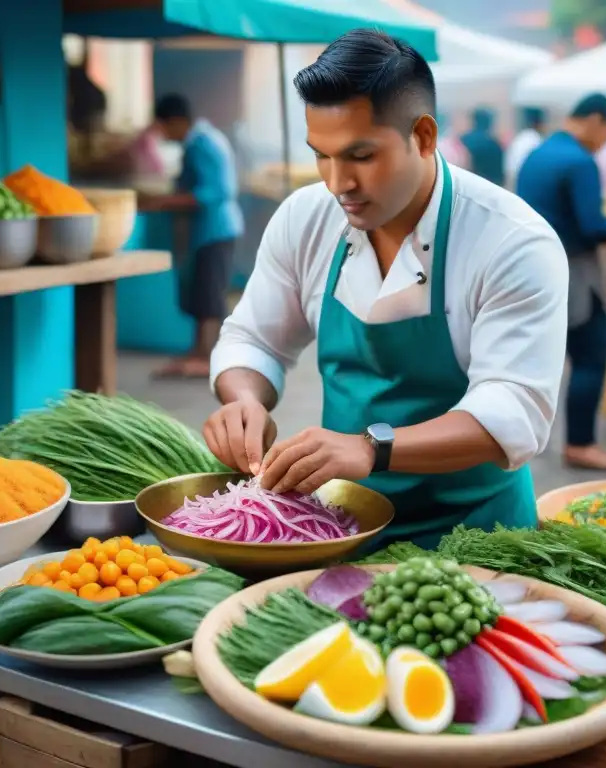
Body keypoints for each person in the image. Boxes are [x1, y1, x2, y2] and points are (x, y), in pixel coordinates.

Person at [202, 29, 568, 551]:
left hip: (479, 534)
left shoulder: (512, 240)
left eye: (361, 156)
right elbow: (254, 340)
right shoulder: (305, 218)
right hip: (338, 525)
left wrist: (372, 448)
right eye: (321, 156)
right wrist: (244, 401)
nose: (337, 183)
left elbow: (514, 408)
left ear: (423, 135)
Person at [516, 93, 606, 471]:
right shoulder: (580, 161)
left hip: (535, 269)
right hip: (574, 271)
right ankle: (581, 444)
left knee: (540, 359)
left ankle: (527, 439)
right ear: (594, 119)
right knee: (591, 356)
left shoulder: (537, 154)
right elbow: (594, 226)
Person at [144, 94, 244, 379]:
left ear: (175, 121)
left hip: (216, 228)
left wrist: (165, 202)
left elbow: (216, 191)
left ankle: (209, 357)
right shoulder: (202, 140)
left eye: (164, 127)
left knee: (210, 293)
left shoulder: (202, 144)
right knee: (202, 292)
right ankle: (199, 351)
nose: (164, 134)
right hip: (208, 231)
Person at [461, 107, 505, 186]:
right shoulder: (494, 144)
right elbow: (499, 177)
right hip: (487, 187)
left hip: (465, 186)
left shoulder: (463, 140)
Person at [505, 107, 546, 190]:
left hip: (513, 178)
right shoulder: (535, 139)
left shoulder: (520, 137)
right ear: (539, 124)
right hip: (525, 180)